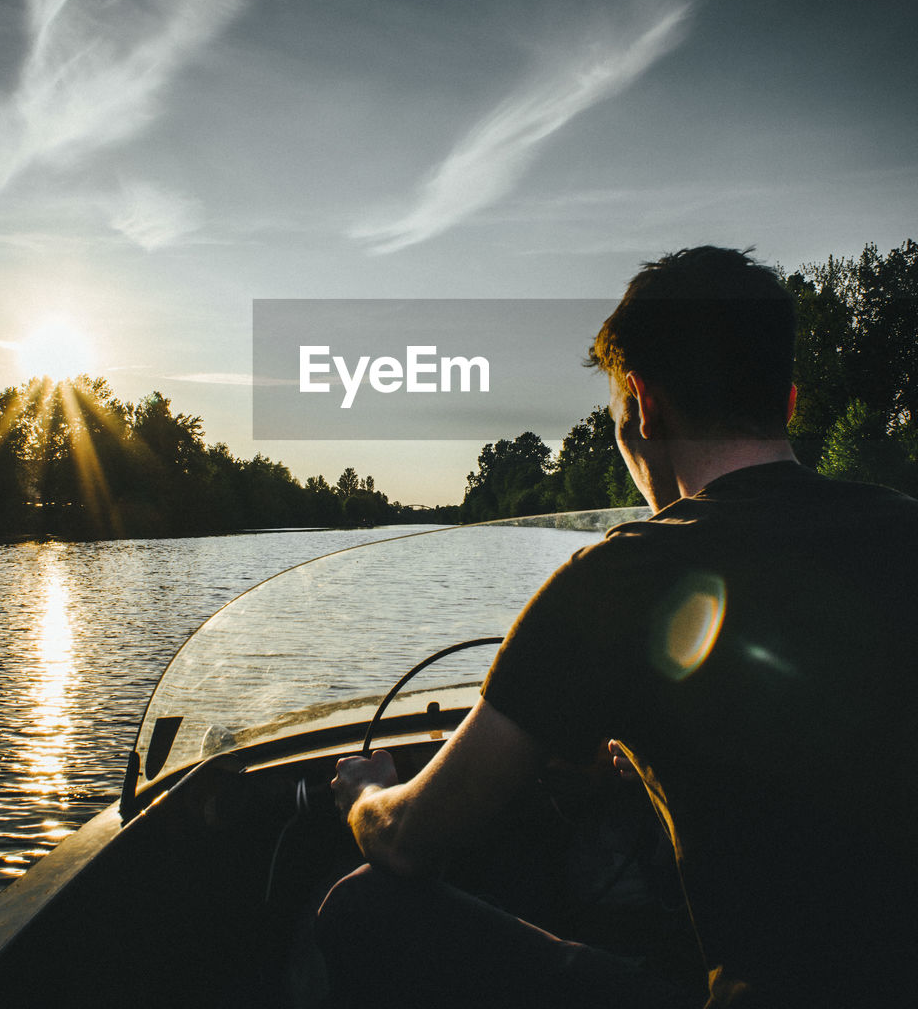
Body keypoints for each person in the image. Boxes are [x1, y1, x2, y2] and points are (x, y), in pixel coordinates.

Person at [318, 246, 918, 1008]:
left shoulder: (621, 577)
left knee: (364, 905)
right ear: (788, 401)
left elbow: (411, 840)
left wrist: (368, 794)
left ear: (643, 403)